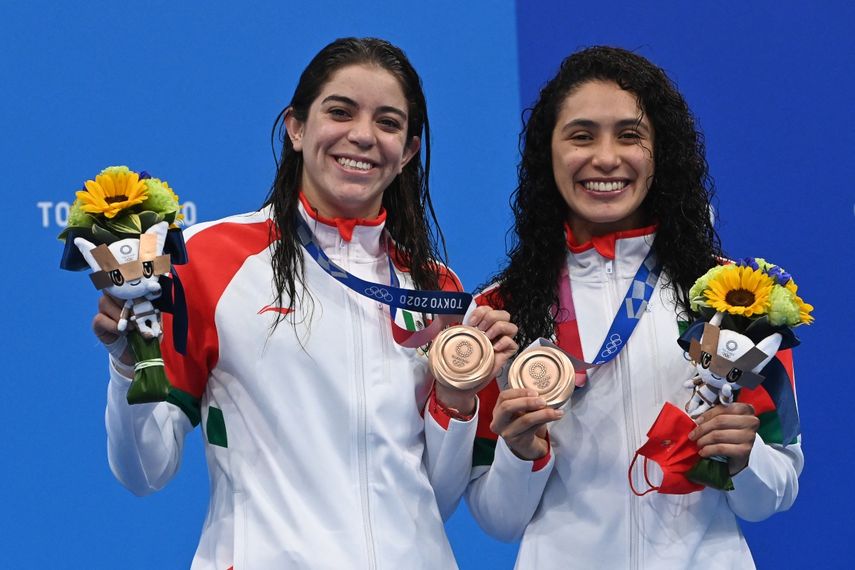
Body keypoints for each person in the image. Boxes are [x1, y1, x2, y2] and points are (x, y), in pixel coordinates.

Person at [92, 37, 515, 569]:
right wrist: (128, 362)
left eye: (387, 122)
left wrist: (455, 401)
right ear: (296, 127)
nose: (362, 136)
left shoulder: (437, 289)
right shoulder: (208, 260)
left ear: (408, 151)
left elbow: (434, 497)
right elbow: (144, 472)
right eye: (340, 112)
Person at [465, 46, 802, 568]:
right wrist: (518, 454)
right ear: (546, 154)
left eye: (629, 135)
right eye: (581, 135)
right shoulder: (501, 314)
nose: (605, 157)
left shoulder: (732, 298)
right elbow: (498, 520)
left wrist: (746, 458)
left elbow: (776, 491)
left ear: (659, 151)